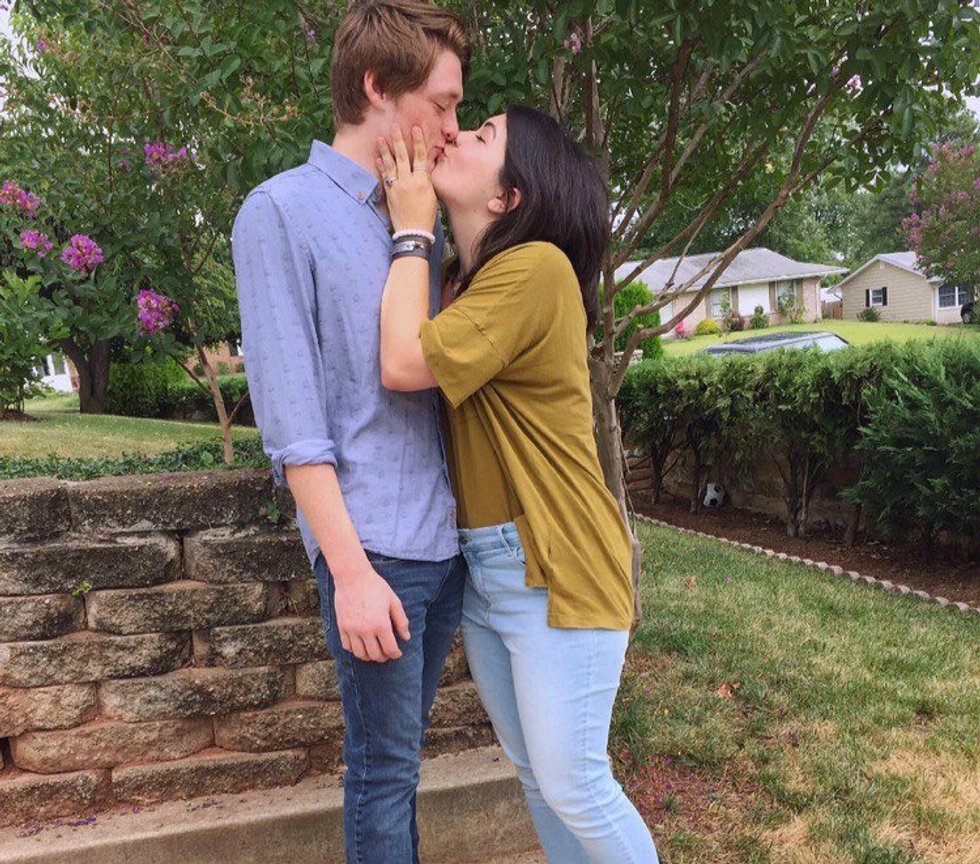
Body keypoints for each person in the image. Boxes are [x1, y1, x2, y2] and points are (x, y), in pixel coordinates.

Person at [376, 108, 660, 863]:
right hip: (489, 569)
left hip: (556, 563)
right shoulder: (460, 284)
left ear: (508, 196)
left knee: (576, 784)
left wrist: (411, 229)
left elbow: (402, 363)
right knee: (538, 779)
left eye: (483, 136)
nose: (457, 133)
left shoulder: (535, 269)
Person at [230, 3, 471, 862]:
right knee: (382, 773)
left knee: (401, 768)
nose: (454, 126)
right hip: (375, 554)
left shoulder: (416, 212)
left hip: (445, 547)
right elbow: (293, 426)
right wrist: (352, 574)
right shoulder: (280, 212)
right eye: (441, 104)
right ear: (377, 87)